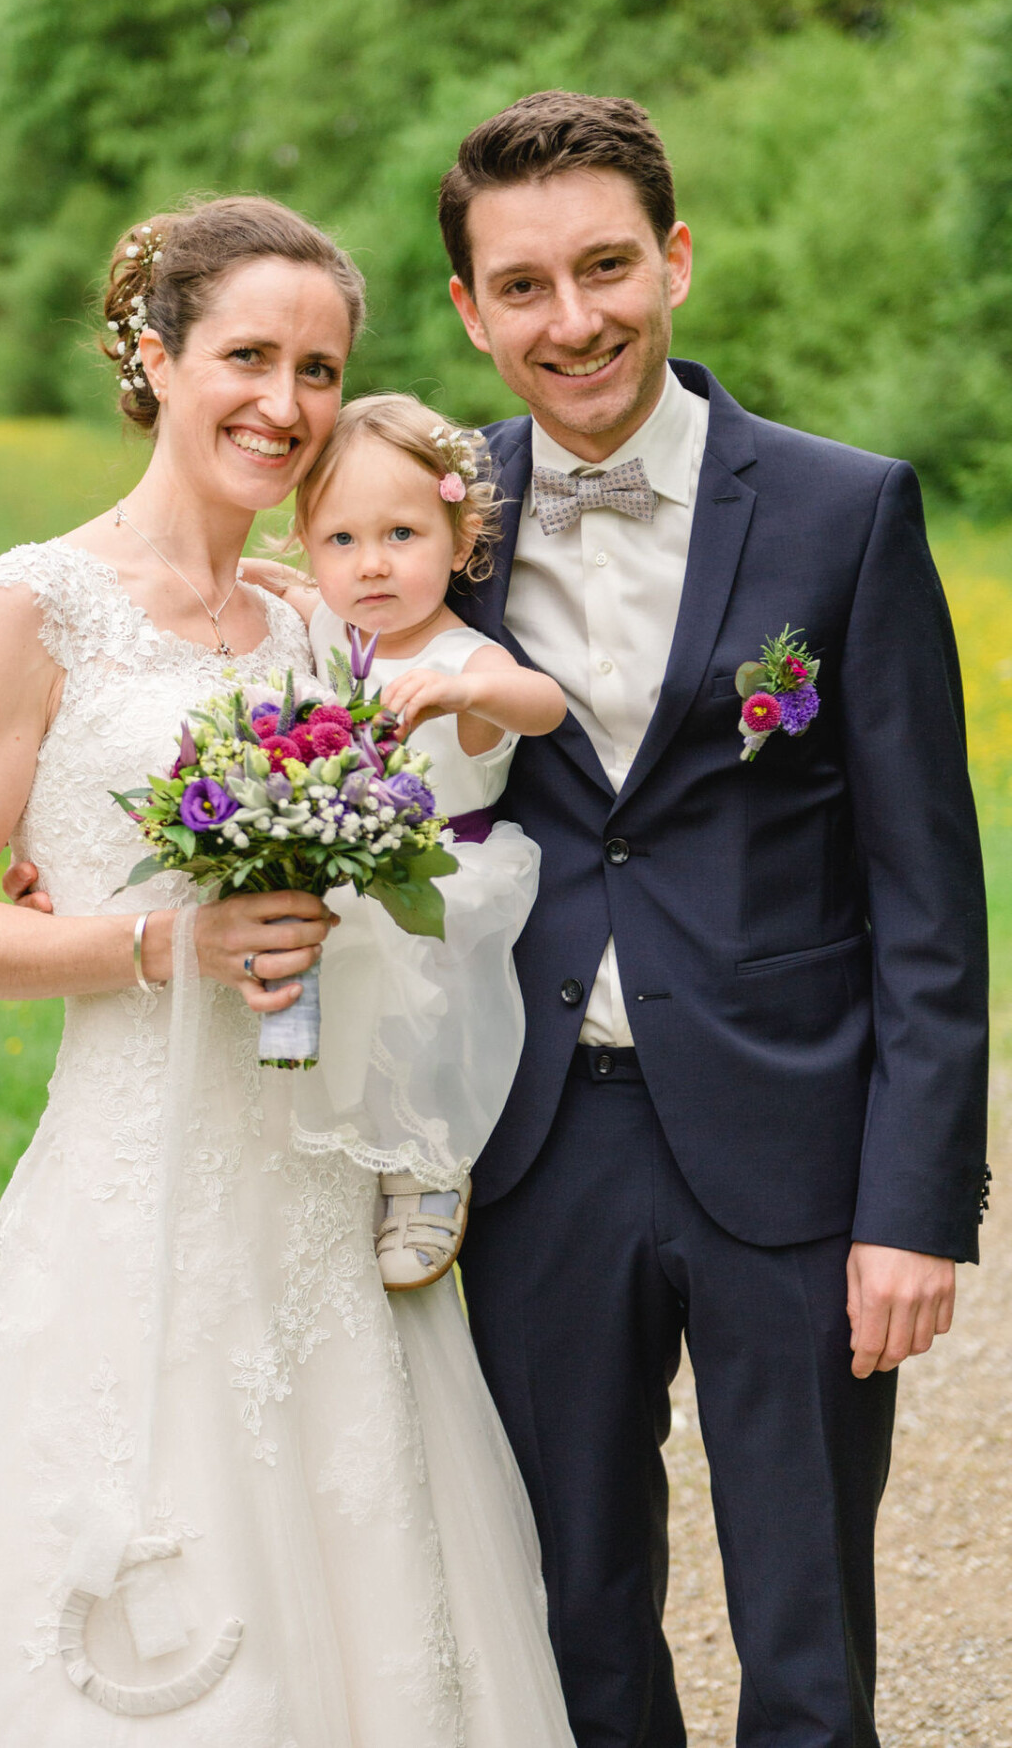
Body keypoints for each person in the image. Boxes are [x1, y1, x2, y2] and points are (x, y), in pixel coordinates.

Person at [0, 196, 577, 1747]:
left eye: (316, 367)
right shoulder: (29, 609)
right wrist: (161, 938)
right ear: (153, 356)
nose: (284, 403)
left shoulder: (312, 616)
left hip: (321, 1180)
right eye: (246, 355)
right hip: (138, 1175)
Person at [434, 93, 990, 1748]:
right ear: (470, 311)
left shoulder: (847, 509)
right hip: (531, 1154)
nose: (574, 317)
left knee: (806, 1620)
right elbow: (305, 723)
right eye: (522, 286)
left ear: (676, 259)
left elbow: (929, 902)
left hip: (795, 1150)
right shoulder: (428, 522)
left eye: (607, 266)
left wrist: (919, 1204)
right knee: (573, 1608)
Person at [247, 391, 566, 1289]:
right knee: (329, 1025)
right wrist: (269, 581)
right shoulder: (325, 624)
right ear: (308, 541)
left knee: (421, 1035)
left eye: (402, 535)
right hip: (337, 869)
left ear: (459, 541)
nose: (372, 565)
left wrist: (464, 693)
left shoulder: (468, 659)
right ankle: (327, 1153)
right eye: (342, 539)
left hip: (437, 876)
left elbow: (541, 705)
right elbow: (303, 593)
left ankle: (426, 1172)